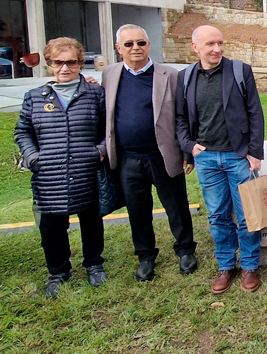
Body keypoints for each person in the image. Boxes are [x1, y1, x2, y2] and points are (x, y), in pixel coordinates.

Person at [102, 24, 197, 282]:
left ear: (149, 45)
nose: (136, 48)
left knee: (176, 206)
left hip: (163, 155)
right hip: (128, 158)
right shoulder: (109, 74)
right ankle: (145, 256)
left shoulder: (169, 74)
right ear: (118, 48)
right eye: (129, 44)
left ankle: (185, 250)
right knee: (137, 209)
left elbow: (184, 116)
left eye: (141, 43)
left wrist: (187, 151)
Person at [14, 37, 107, 298]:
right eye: (58, 62)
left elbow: (108, 129)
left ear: (80, 64)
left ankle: (94, 264)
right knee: (52, 226)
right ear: (49, 64)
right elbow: (23, 131)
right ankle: (58, 271)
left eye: (71, 62)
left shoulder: (95, 94)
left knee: (91, 221)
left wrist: (99, 151)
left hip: (85, 169)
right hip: (49, 174)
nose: (65, 68)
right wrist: (33, 157)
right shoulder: (34, 97)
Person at [176, 25, 265, 294]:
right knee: (218, 216)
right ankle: (226, 266)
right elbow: (180, 118)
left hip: (238, 156)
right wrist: (189, 147)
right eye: (210, 44)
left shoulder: (240, 71)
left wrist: (254, 152)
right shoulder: (185, 77)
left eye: (220, 43)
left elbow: (255, 113)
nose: (217, 49)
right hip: (206, 158)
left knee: (248, 213)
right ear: (195, 48)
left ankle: (249, 266)